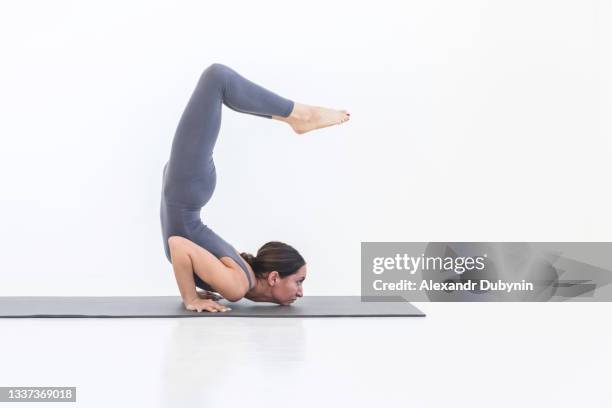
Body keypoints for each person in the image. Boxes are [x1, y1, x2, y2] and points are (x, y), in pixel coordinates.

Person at [160, 63, 350, 313]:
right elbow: (178, 244)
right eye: (299, 282)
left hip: (184, 190)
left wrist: (191, 295)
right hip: (185, 190)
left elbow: (180, 245)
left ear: (272, 278)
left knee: (217, 79)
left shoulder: (239, 283)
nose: (301, 292)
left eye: (300, 282)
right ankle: (299, 116)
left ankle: (297, 116)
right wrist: (191, 296)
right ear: (273, 277)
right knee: (216, 79)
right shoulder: (238, 284)